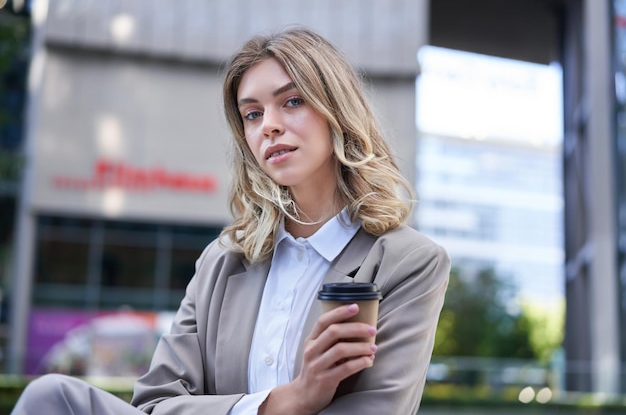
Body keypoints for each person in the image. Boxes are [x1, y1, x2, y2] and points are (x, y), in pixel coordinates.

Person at [11, 27, 449, 415]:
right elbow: (154, 403)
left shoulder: (409, 262)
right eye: (252, 114)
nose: (269, 127)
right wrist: (283, 404)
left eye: (292, 101)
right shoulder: (221, 262)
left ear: (337, 110)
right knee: (52, 398)